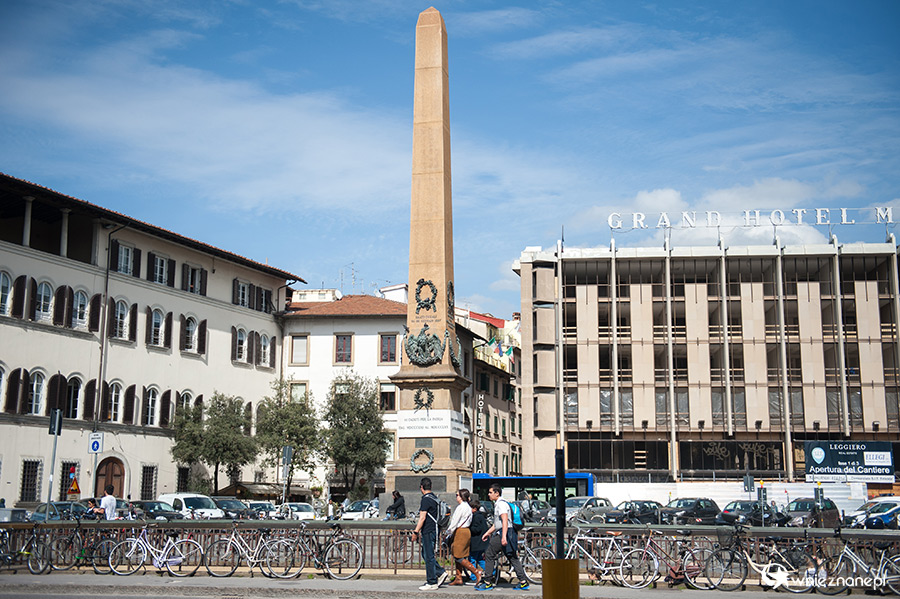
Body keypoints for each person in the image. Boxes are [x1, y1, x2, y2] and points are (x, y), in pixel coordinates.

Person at [476, 483, 529, 591]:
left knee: (489, 554)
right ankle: (523, 581)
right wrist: (488, 533)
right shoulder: (503, 503)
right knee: (512, 556)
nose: (489, 495)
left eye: (490, 492)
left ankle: (487, 582)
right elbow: (497, 523)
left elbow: (504, 520)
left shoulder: (500, 505)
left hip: (504, 533)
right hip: (509, 532)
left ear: (497, 493)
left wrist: (503, 536)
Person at [411, 477, 449, 590]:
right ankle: (440, 572)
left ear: (421, 487)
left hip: (428, 530)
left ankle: (432, 582)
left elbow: (422, 518)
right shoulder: (434, 498)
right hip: (434, 529)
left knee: (429, 555)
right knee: (426, 554)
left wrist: (415, 531)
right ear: (430, 487)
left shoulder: (425, 499)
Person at [447, 489, 481, 586]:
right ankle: (458, 577)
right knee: (459, 554)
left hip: (460, 531)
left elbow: (455, 521)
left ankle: (476, 571)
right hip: (466, 531)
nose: (456, 497)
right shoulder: (468, 507)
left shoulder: (461, 507)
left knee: (458, 556)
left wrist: (449, 531)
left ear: (461, 496)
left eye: (457, 495)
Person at [468, 498, 488, 581]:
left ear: (474, 509)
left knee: (472, 559)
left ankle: (474, 576)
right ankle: (492, 571)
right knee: (480, 559)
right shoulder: (481, 516)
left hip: (476, 543)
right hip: (481, 543)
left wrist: (469, 528)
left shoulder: (476, 517)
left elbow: (477, 529)